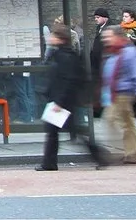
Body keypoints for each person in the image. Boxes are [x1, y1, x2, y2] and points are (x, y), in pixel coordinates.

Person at [36, 24, 99, 171]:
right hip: (59, 100)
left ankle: (50, 163)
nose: (50, 38)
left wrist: (58, 101)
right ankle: (49, 163)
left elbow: (67, 81)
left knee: (58, 132)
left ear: (60, 39)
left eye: (53, 36)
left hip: (62, 102)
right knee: (60, 132)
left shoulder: (65, 56)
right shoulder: (60, 54)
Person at [99, 25, 136, 165]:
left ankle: (118, 152)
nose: (106, 40)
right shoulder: (114, 52)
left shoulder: (130, 53)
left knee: (110, 119)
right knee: (128, 124)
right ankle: (135, 154)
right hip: (115, 93)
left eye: (108, 36)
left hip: (123, 93)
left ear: (117, 36)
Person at [90, 7, 111, 108]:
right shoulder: (99, 28)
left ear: (105, 18)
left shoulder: (109, 28)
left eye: (98, 17)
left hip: (104, 61)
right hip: (97, 62)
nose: (96, 19)